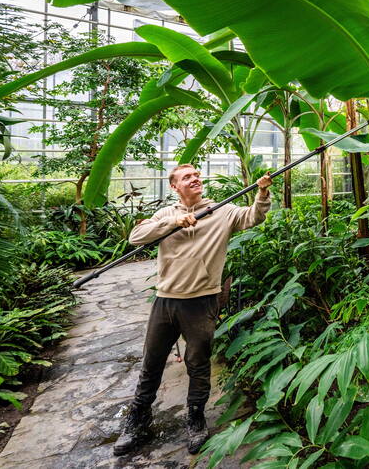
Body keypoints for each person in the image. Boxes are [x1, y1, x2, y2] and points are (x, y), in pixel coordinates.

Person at [113, 164, 272, 456]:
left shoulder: (221, 211)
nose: (196, 179)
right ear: (174, 186)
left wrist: (262, 193)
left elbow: (253, 217)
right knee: (151, 361)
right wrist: (175, 222)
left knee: (198, 363)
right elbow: (137, 236)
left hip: (202, 300)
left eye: (197, 175)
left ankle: (195, 417)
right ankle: (138, 418)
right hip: (166, 299)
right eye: (187, 177)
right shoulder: (166, 214)